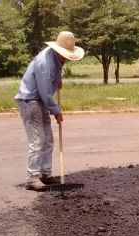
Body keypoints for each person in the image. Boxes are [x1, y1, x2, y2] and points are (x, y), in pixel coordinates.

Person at [15, 31, 84, 191]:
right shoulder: (45, 63)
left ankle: (45, 174)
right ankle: (32, 178)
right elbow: (45, 92)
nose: (67, 58)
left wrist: (58, 80)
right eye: (66, 55)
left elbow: (50, 81)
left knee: (47, 139)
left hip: (40, 101)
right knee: (38, 140)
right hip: (31, 102)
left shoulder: (56, 59)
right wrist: (56, 111)